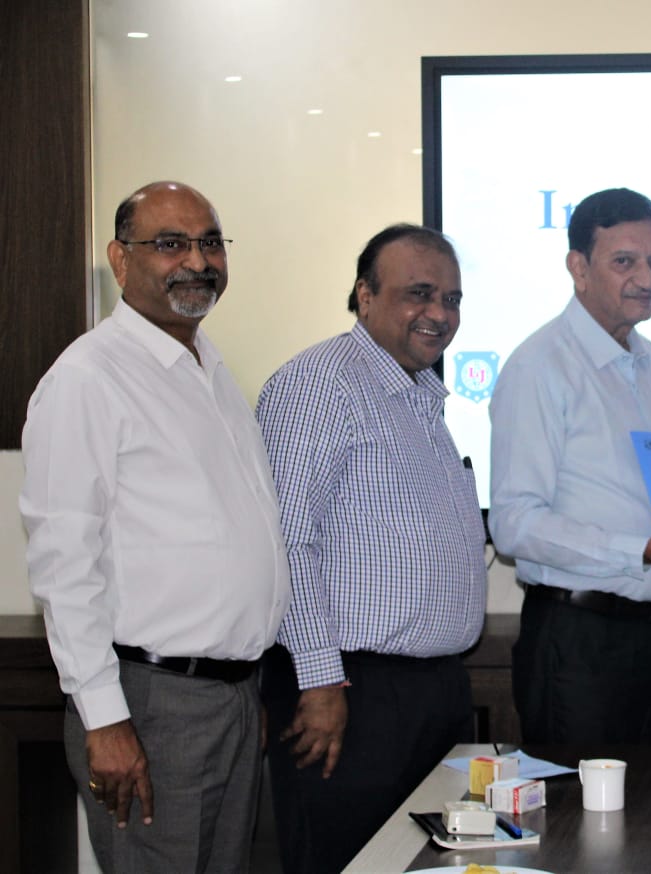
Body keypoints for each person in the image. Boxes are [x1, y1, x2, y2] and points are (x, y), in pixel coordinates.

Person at [19, 181, 291, 872]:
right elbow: (64, 563)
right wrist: (105, 719)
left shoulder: (210, 370)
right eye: (170, 243)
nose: (196, 261)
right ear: (120, 259)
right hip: (150, 704)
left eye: (210, 243)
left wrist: (242, 684)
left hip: (230, 697)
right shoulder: (89, 378)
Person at [256, 224, 488, 874]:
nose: (439, 313)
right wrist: (321, 680)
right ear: (365, 295)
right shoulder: (320, 384)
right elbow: (287, 540)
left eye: (451, 298)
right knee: (348, 863)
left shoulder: (418, 396)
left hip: (430, 692)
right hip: (349, 694)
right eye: (419, 293)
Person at [489, 187, 651, 745]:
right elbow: (513, 523)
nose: (647, 279)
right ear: (578, 268)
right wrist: (642, 551)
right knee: (579, 803)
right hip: (580, 641)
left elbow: (639, 498)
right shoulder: (540, 366)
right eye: (625, 262)